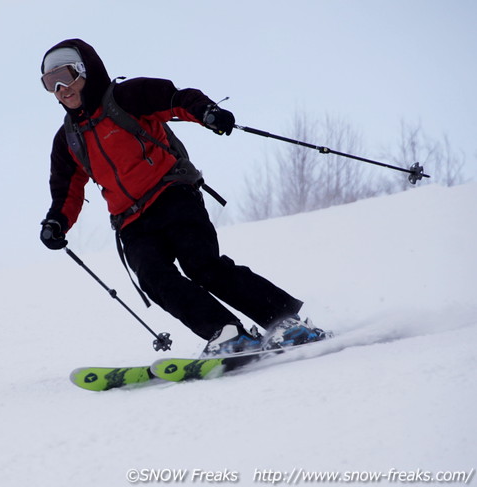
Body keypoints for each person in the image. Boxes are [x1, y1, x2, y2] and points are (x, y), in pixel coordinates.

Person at [39, 38, 328, 356]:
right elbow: (66, 190)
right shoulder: (68, 140)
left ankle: (285, 321)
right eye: (50, 83)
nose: (61, 89)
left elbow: (175, 98)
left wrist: (206, 112)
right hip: (131, 222)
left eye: (66, 76)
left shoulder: (125, 97)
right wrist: (57, 223)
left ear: (87, 71)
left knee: (203, 266)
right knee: (154, 278)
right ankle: (226, 333)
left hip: (171, 195)